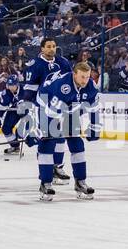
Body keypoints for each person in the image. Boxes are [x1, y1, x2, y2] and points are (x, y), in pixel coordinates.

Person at [32, 62, 101, 201]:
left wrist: (94, 126)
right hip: (46, 104)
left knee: (77, 144)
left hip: (70, 108)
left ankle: (80, 182)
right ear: (74, 74)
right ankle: (45, 183)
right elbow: (52, 112)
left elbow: (94, 107)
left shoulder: (91, 85)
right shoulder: (63, 87)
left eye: (87, 77)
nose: (85, 80)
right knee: (48, 144)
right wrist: (42, 131)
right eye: (82, 77)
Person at [21, 37, 73, 184]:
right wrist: (26, 107)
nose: (52, 49)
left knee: (61, 138)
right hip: (42, 106)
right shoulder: (35, 65)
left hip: (60, 105)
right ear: (42, 48)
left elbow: (71, 82)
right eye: (48, 46)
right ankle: (45, 172)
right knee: (46, 141)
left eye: (54, 46)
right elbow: (30, 89)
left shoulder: (63, 62)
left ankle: (57, 167)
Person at [0, 73, 23, 155]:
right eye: (9, 85)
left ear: (17, 84)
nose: (11, 87)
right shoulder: (6, 93)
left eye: (13, 85)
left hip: (28, 111)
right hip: (14, 110)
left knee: (21, 131)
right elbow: (2, 106)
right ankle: (15, 146)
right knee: (5, 129)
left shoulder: (26, 90)